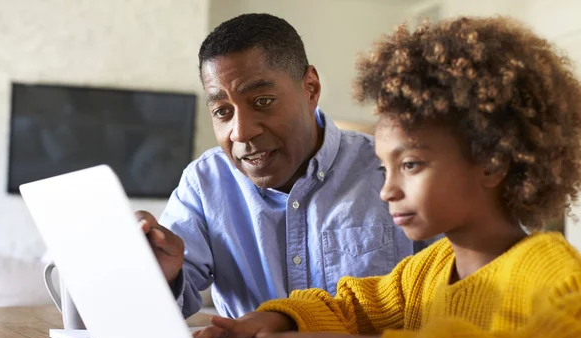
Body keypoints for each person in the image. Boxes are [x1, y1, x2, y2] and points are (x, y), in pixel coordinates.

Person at [193, 16, 581, 338]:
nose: (387, 191)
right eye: (384, 168)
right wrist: (281, 318)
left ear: (492, 163)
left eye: (410, 165)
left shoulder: (548, 267)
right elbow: (354, 307)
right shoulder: (425, 272)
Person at [136, 14, 432, 319]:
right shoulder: (204, 183)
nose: (240, 132)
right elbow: (161, 307)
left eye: (263, 101)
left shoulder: (390, 171)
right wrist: (164, 275)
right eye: (222, 111)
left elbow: (449, 289)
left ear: (311, 89)